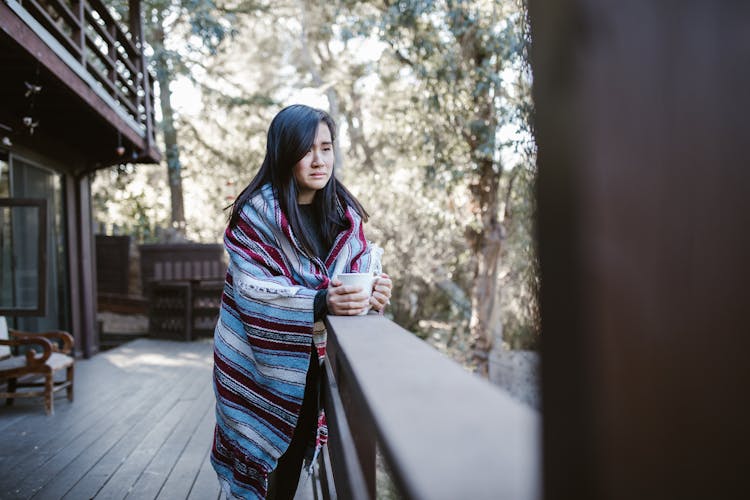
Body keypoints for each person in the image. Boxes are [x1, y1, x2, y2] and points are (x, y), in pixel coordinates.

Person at [211, 104, 392, 499]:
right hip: (261, 368)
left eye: (326, 148)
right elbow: (252, 291)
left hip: (317, 369)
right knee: (273, 476)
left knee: (292, 474)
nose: (319, 160)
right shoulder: (255, 216)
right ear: (283, 151)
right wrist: (323, 300)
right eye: (307, 149)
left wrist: (374, 294)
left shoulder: (344, 215)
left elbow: (358, 273)